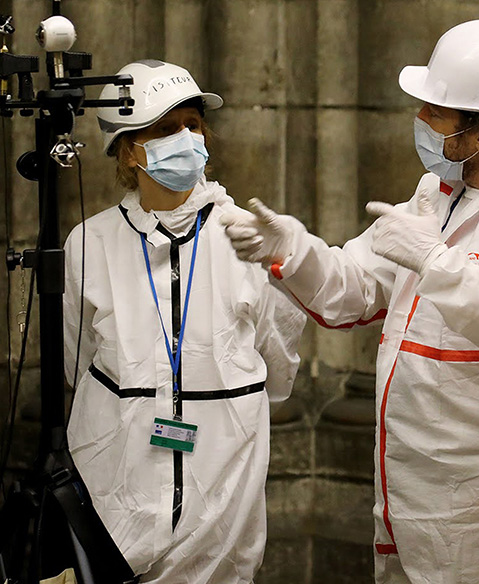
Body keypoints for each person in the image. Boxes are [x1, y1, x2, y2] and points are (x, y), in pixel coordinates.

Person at [223, 19, 479, 583]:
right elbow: (352, 289)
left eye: (435, 111)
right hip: (415, 500)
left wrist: (437, 263)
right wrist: (291, 249)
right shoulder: (440, 193)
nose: (420, 121)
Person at [63, 59, 306, 583]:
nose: (187, 139)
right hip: (119, 466)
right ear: (129, 149)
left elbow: (279, 353)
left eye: (193, 125)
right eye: (167, 129)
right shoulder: (91, 243)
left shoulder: (243, 234)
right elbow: (76, 361)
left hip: (221, 467)